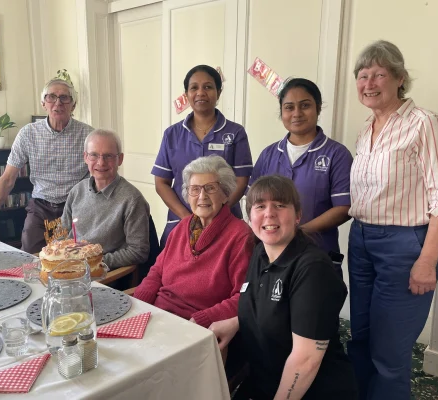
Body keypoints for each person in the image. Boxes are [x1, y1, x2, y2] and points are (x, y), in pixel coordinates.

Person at [347, 40, 438, 400]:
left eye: (379, 74)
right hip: (361, 239)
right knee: (361, 337)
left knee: (390, 352)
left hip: (404, 246)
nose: (369, 83)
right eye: (362, 75)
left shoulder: (425, 124)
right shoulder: (366, 130)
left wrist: (426, 261)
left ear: (400, 79)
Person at [210, 175, 357, 400]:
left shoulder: (313, 270)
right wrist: (236, 322)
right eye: (260, 206)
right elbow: (270, 306)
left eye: (280, 205)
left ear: (297, 215)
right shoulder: (260, 252)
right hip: (264, 381)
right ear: (249, 217)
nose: (269, 213)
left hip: (311, 390)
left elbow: (306, 361)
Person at [0, 78, 94, 254]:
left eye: (64, 98)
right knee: (30, 256)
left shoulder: (89, 135)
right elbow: (7, 179)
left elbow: (99, 176)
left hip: (76, 206)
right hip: (41, 208)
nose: (58, 103)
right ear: (43, 103)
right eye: (51, 97)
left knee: (76, 255)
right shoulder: (28, 134)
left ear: (73, 105)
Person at [135, 155, 253, 328]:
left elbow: (243, 297)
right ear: (188, 195)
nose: (202, 196)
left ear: (225, 194)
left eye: (210, 188)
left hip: (197, 326)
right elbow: (157, 272)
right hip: (157, 314)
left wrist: (203, 319)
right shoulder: (182, 227)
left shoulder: (240, 236)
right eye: (195, 189)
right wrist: (139, 305)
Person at [249, 78, 353, 272]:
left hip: (317, 254)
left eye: (305, 105)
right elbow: (253, 203)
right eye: (289, 107)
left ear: (318, 108)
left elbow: (344, 207)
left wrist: (298, 233)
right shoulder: (268, 155)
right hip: (271, 255)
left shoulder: (337, 154)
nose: (297, 113)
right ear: (282, 112)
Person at [152, 65, 253, 248]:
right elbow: (161, 183)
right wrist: (187, 218)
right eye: (194, 88)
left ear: (218, 92)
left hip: (225, 222)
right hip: (181, 221)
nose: (200, 93)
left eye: (208, 87)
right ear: (187, 94)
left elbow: (241, 180)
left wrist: (218, 215)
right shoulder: (172, 134)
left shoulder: (235, 132)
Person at [61, 129, 150, 270]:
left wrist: (93, 263)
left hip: (105, 273)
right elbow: (62, 235)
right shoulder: (76, 191)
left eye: (108, 156)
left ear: (120, 159)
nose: (101, 162)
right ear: (85, 157)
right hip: (70, 267)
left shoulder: (132, 200)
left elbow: (138, 251)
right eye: (94, 155)